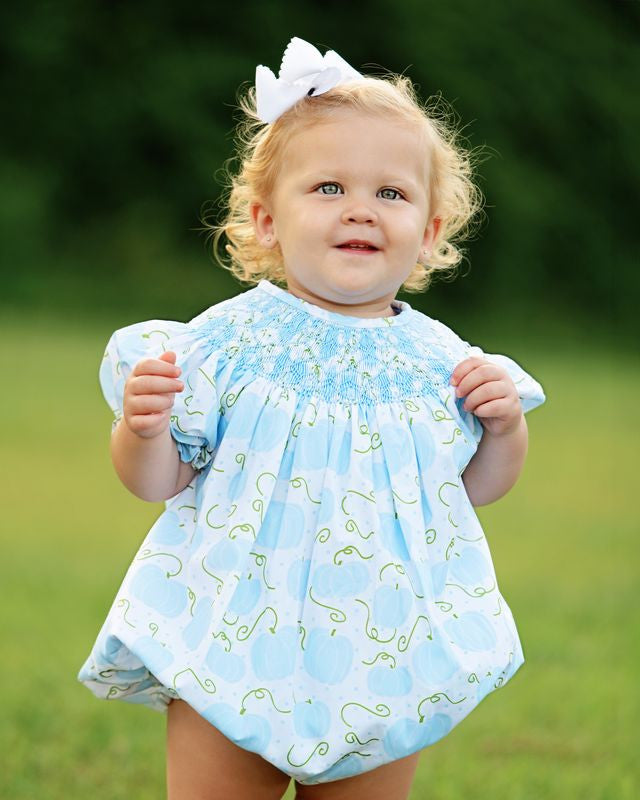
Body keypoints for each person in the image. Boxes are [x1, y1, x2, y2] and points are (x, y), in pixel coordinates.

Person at [77, 36, 546, 800]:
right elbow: (157, 480)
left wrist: (504, 431)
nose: (360, 208)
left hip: (384, 644)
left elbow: (477, 488)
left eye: (391, 194)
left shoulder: (442, 361)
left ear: (428, 232)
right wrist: (142, 430)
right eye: (328, 187)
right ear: (266, 219)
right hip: (232, 630)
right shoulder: (224, 344)